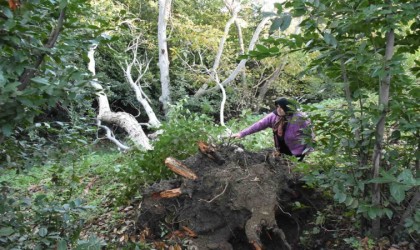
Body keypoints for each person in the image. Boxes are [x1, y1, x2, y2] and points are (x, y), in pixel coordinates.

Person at [231, 97, 314, 161]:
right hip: (281, 149)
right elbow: (259, 125)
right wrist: (241, 134)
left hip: (297, 151)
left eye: (282, 108)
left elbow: (310, 134)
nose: (279, 109)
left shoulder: (300, 118)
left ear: (288, 108)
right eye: (277, 107)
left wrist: (309, 150)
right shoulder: (274, 116)